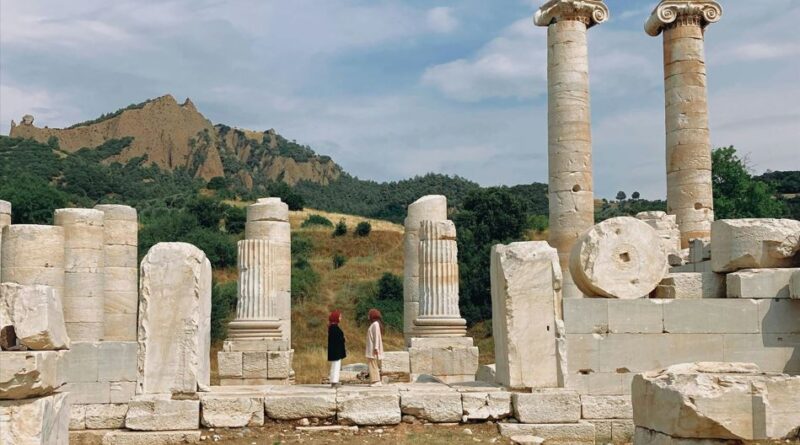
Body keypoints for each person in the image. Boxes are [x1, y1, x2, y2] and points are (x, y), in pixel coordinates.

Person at [365, 308, 384, 386]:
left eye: (369, 314)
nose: (368, 316)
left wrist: (376, 348)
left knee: (373, 364)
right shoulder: (374, 324)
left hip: (373, 348)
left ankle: (376, 381)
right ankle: (375, 380)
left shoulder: (375, 324)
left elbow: (376, 337)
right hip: (371, 348)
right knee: (372, 364)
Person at [327, 310, 346, 387]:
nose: (341, 318)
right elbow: (338, 339)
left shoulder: (333, 327)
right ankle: (334, 382)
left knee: (335, 365)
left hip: (336, 350)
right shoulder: (334, 328)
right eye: (340, 317)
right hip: (336, 351)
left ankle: (334, 381)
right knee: (336, 366)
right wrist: (343, 338)